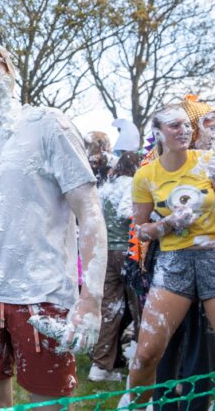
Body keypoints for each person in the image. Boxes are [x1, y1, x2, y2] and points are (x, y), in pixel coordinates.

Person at [0, 38, 107, 409]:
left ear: (9, 72)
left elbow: (89, 211)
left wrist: (91, 300)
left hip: (43, 295)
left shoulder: (47, 125)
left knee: (47, 405)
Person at [128, 104, 215, 405]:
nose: (184, 131)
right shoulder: (146, 175)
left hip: (212, 257)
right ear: (159, 132)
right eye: (174, 125)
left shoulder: (208, 162)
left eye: (186, 125)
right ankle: (136, 404)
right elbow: (140, 230)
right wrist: (166, 224)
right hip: (173, 262)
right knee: (147, 353)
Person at [89, 151, 141, 382]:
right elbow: (126, 211)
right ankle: (138, 366)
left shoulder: (107, 186)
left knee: (110, 310)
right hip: (128, 252)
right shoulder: (132, 184)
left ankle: (100, 367)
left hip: (106, 251)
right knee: (139, 308)